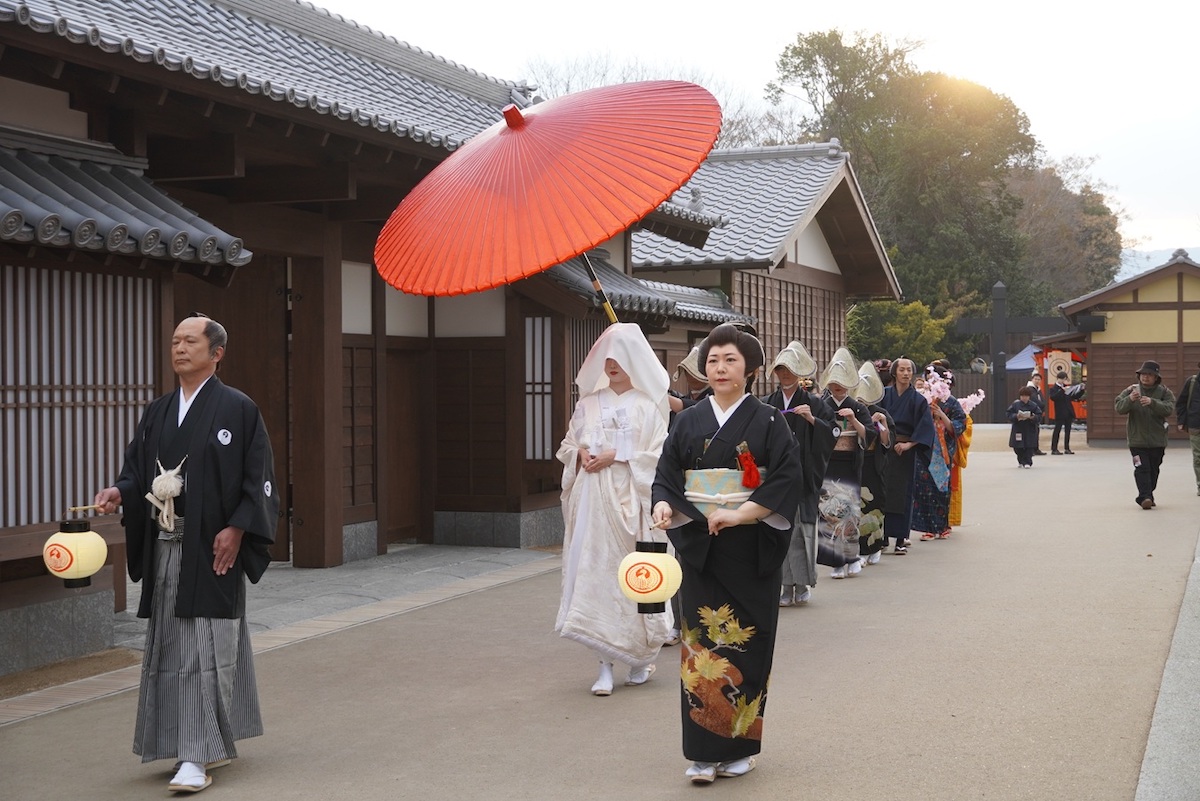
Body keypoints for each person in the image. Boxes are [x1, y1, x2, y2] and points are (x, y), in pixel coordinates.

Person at [93, 314, 278, 794]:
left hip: (213, 550)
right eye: (175, 340)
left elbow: (257, 478)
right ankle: (182, 742)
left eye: (190, 341)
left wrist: (238, 528)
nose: (179, 348)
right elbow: (137, 470)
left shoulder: (239, 409)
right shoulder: (157, 412)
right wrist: (120, 490)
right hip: (166, 549)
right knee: (171, 648)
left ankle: (196, 756)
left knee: (207, 648)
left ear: (216, 353)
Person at [651, 323, 801, 784]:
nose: (719, 367)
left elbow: (787, 478)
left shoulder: (771, 420)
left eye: (730, 359)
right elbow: (667, 473)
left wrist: (739, 515)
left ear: (750, 370)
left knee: (747, 645)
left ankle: (740, 745)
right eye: (712, 359)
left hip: (751, 547)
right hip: (700, 547)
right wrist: (662, 502)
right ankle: (700, 751)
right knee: (699, 646)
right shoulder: (688, 420)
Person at [554, 323, 671, 695]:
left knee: (636, 576)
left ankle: (639, 656)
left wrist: (617, 454)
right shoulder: (587, 403)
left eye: (619, 357)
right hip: (592, 500)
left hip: (632, 502)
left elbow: (658, 454)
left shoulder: (648, 406)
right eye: (606, 357)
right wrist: (581, 454)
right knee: (594, 576)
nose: (611, 364)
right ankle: (602, 664)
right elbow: (568, 444)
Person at [761, 340, 836, 606]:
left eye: (790, 369)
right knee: (778, 531)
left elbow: (833, 430)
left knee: (802, 531)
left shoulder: (813, 402)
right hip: (776, 476)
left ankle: (802, 584)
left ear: (799, 372)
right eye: (781, 369)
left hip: (803, 475)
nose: (785, 374)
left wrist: (812, 420)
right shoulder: (768, 403)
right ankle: (784, 585)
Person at [818, 349, 875, 578]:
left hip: (850, 463)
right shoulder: (822, 405)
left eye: (842, 382)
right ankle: (836, 563)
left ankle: (851, 557)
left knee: (849, 512)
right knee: (829, 512)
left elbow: (868, 434)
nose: (838, 386)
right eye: (834, 382)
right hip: (828, 463)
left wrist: (853, 419)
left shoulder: (859, 407)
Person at [879, 358, 935, 554]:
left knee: (903, 493)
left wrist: (909, 444)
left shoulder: (918, 400)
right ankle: (883, 537)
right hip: (885, 449)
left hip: (905, 451)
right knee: (882, 491)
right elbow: (873, 417)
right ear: (894, 372)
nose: (906, 373)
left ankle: (901, 538)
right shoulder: (883, 395)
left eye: (909, 370)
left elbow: (925, 427)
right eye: (902, 369)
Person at [911, 365, 967, 540]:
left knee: (941, 488)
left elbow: (958, 425)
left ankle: (942, 526)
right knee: (923, 488)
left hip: (942, 451)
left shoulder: (951, 402)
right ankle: (928, 528)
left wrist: (941, 414)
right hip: (923, 449)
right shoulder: (922, 399)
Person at [1115, 360, 1175, 510]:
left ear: (1156, 377)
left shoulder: (1164, 392)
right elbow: (1118, 407)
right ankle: (1144, 497)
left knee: (1154, 469)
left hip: (1157, 440)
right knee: (1141, 468)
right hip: (1136, 441)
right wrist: (1130, 400)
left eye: (1149, 375)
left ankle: (1148, 494)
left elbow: (1169, 409)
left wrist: (1153, 402)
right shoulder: (1131, 390)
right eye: (1143, 374)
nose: (1145, 377)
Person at [854, 360, 892, 566]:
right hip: (856, 461)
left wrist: (883, 424)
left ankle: (875, 546)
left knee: (875, 505)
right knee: (857, 507)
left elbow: (886, 441)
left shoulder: (880, 413)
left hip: (874, 463)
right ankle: (859, 548)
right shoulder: (851, 411)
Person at [1175, 361, 1200, 496]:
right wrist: (1181, 421)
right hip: (1196, 425)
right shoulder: (1192, 382)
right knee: (1198, 457)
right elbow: (1181, 403)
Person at [667, 345, 711, 417]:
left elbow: (699, 408)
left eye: (696, 373)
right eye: (688, 372)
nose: (692, 377)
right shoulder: (684, 398)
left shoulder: (715, 397)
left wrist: (663, 398)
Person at [1006, 386, 1043, 467]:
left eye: (1026, 396)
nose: (1024, 398)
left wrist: (1033, 417)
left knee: (1029, 446)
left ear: (1029, 396)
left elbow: (1039, 415)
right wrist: (1016, 416)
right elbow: (1008, 414)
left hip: (1030, 428)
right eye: (1022, 396)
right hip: (1018, 428)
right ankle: (1021, 460)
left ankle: (1027, 462)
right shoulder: (1015, 404)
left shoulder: (1033, 405)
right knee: (1018, 447)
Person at [1049, 371, 1077, 454]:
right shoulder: (1054, 388)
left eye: (1064, 379)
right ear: (1058, 378)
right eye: (1062, 379)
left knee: (1068, 431)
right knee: (1057, 430)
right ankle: (1054, 449)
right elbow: (1053, 398)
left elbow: (1073, 397)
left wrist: (1080, 390)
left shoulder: (1066, 387)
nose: (1063, 381)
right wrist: (1062, 391)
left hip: (1068, 411)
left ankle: (1067, 448)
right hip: (1060, 412)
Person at [1026, 373, 1047, 455]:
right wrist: (1042, 405)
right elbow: (1035, 400)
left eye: (1039, 379)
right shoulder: (1030, 389)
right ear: (1032, 379)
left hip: (1038, 413)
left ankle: (1036, 448)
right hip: (1032, 412)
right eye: (1036, 379)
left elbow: (1042, 400)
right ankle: (1031, 449)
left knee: (1036, 431)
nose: (1037, 381)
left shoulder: (1038, 389)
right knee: (1032, 432)